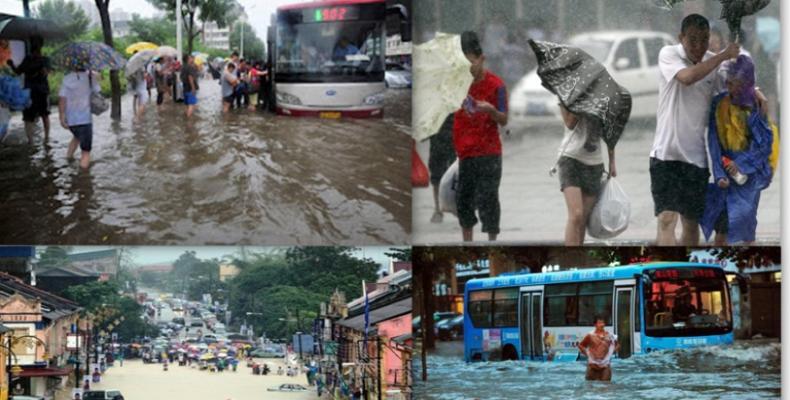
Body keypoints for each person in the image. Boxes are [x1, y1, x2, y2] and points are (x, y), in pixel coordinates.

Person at [649, 14, 756, 245]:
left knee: (690, 224)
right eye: (693, 41)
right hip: (665, 155)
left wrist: (755, 93)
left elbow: (733, 93)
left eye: (704, 40)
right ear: (681, 38)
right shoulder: (669, 54)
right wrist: (722, 56)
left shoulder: (715, 63)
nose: (699, 47)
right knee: (667, 219)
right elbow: (687, 77)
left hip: (696, 159)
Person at [701, 56, 778, 244]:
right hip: (727, 171)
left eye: (737, 83)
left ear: (748, 84)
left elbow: (763, 145)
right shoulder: (719, 104)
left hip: (748, 176)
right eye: (729, 82)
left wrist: (741, 165)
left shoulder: (756, 106)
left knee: (745, 223)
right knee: (721, 226)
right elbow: (714, 141)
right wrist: (720, 174)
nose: (731, 87)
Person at [452, 30, 508, 242]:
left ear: (481, 58)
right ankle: (468, 242)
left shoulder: (497, 86)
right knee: (463, 201)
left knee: (488, 199)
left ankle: (492, 241)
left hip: (489, 153)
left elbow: (504, 119)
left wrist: (491, 111)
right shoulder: (456, 84)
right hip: (465, 154)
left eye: (471, 62)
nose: (468, 68)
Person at [556, 104, 616, 245]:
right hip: (570, 159)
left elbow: (609, 132)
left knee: (583, 219)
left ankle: (577, 257)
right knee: (576, 215)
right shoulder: (567, 93)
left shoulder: (603, 96)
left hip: (594, 163)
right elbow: (569, 123)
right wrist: (585, 102)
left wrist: (612, 161)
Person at [8, 35, 51, 143]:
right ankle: (46, 138)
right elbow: (46, 73)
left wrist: (11, 64)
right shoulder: (45, 60)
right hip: (42, 91)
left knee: (28, 117)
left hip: (29, 92)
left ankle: (30, 141)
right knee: (44, 114)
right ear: (41, 46)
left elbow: (18, 72)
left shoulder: (27, 59)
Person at [59, 68, 100, 169]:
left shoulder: (67, 79)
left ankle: (68, 159)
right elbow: (98, 91)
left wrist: (61, 116)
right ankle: (83, 179)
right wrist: (95, 76)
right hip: (85, 120)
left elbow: (62, 99)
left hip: (71, 120)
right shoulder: (90, 77)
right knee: (86, 152)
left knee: (77, 137)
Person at [428, 113, 456, 223]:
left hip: (451, 138)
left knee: (455, 174)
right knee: (437, 177)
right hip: (438, 139)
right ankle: (438, 208)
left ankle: (445, 207)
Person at [578, 315, 619, 381]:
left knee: (606, 387)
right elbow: (581, 345)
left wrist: (610, 353)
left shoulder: (609, 335)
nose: (602, 325)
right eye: (599, 323)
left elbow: (617, 345)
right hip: (592, 365)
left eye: (603, 323)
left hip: (605, 366)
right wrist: (587, 354)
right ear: (595, 324)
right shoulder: (590, 335)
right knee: (589, 387)